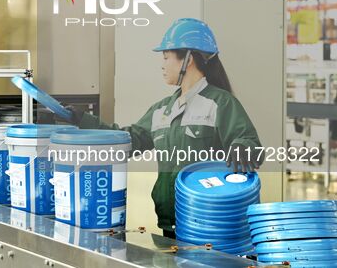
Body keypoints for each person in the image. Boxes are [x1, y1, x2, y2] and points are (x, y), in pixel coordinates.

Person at [64, 18, 262, 239]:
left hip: (208, 222)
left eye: (167, 57)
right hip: (170, 223)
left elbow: (249, 142)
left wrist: (243, 147)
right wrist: (82, 120)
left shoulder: (221, 103)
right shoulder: (161, 110)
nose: (162, 64)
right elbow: (128, 140)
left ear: (188, 59)